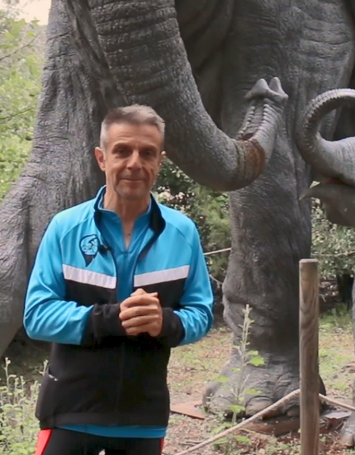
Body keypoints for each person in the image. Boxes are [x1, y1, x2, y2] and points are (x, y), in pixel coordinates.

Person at [24, 105, 214, 455]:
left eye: (147, 153)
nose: (134, 163)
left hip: (143, 417)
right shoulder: (65, 228)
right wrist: (109, 319)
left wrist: (165, 322)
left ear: (160, 161)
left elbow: (202, 314)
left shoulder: (182, 233)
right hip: (70, 412)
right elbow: (37, 316)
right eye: (122, 151)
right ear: (101, 158)